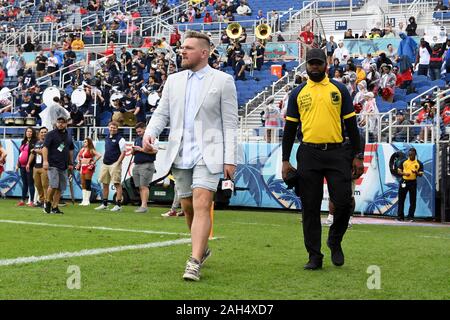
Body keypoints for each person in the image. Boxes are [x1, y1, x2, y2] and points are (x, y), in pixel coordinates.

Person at [143, 31, 238, 281]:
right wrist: (150, 133)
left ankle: (194, 261)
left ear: (204, 53)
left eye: (188, 48)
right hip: (180, 151)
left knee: (202, 202)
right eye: (181, 48)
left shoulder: (223, 80)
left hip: (210, 151)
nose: (182, 51)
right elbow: (162, 113)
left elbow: (230, 123)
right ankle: (202, 248)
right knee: (187, 206)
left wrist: (231, 158)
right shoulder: (173, 80)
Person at [281, 48, 364, 270]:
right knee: (310, 206)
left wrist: (358, 156)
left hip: (338, 153)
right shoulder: (297, 93)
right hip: (308, 154)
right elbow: (289, 129)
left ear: (325, 64)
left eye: (318, 63)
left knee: (344, 202)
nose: (315, 67)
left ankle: (334, 240)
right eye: (311, 63)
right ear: (306, 65)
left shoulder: (339, 89)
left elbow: (351, 126)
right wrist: (285, 160)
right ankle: (314, 256)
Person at [42, 117, 75, 214]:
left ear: (66, 124)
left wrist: (70, 163)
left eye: (63, 122)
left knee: (60, 187)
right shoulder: (51, 134)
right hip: (52, 164)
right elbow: (45, 148)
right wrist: (45, 161)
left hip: (63, 165)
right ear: (56, 123)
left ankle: (55, 207)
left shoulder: (68, 136)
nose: (60, 124)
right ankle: (47, 203)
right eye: (59, 122)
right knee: (53, 185)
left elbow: (71, 149)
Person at [95, 121, 127, 212]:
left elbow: (123, 152)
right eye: (111, 127)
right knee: (105, 184)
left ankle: (118, 205)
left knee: (117, 184)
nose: (112, 129)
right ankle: (104, 204)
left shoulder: (120, 139)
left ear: (117, 128)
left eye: (114, 127)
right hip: (105, 163)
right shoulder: (107, 138)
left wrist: (118, 162)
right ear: (108, 128)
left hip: (114, 164)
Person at [131, 122, 157, 213]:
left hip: (147, 164)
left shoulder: (151, 138)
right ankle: (143, 205)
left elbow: (155, 151)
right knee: (140, 187)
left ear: (145, 129)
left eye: (140, 131)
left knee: (144, 186)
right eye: (137, 132)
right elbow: (133, 153)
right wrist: (133, 150)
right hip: (137, 164)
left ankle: (144, 206)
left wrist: (141, 149)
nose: (139, 133)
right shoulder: (137, 139)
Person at [397, 148, 424, 222]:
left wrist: (416, 173)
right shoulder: (404, 161)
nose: (410, 156)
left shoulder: (419, 163)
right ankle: (400, 217)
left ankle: (410, 217)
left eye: (411, 154)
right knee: (401, 199)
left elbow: (421, 174)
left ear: (415, 154)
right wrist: (404, 173)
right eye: (409, 154)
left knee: (413, 200)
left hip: (413, 182)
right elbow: (399, 171)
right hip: (404, 181)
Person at [75, 137, 102, 206]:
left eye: (86, 142)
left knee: (88, 183)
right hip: (82, 167)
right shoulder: (82, 149)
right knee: (83, 183)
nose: (84, 143)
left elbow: (99, 155)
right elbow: (78, 156)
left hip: (88, 167)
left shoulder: (91, 149)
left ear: (89, 142)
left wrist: (93, 162)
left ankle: (87, 200)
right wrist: (79, 161)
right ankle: (84, 200)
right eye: (84, 142)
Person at [27, 127, 48, 208]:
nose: (43, 134)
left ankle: (47, 202)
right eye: (42, 132)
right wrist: (28, 163)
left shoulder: (49, 142)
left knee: (45, 185)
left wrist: (35, 151)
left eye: (45, 132)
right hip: (36, 166)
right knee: (38, 185)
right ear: (39, 134)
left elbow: (45, 152)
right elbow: (32, 154)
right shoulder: (37, 143)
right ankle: (42, 201)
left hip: (44, 166)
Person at [16, 127, 37, 207]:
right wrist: (17, 164)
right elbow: (20, 154)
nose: (28, 133)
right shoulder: (23, 141)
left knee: (30, 183)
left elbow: (33, 154)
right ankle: (22, 200)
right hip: (22, 166)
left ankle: (31, 201)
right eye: (27, 131)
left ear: (33, 133)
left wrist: (28, 163)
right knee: (24, 184)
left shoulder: (35, 142)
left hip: (30, 166)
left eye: (30, 131)